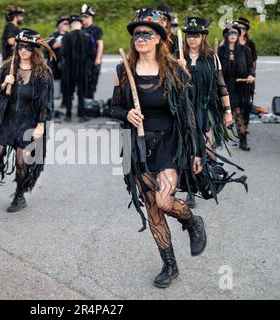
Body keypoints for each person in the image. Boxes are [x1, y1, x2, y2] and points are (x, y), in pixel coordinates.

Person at [110, 8, 247, 288]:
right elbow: (113, 106)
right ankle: (169, 264)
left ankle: (192, 220)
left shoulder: (174, 71)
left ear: (160, 38)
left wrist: (197, 151)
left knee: (163, 200)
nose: (141, 38)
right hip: (137, 145)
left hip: (169, 141)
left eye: (147, 33)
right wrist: (126, 114)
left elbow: (188, 115)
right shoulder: (122, 70)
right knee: (153, 209)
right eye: (137, 33)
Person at [0, 28, 54, 212]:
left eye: (29, 48)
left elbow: (46, 103)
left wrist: (41, 125)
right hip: (6, 120)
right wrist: (6, 82)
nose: (24, 50)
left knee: (22, 162)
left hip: (27, 123)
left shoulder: (42, 74)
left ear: (35, 51)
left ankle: (19, 196)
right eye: (21, 46)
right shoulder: (9, 67)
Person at [182, 16, 233, 208]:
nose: (191, 39)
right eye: (188, 35)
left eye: (195, 35)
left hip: (204, 111)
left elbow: (222, 86)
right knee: (186, 149)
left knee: (205, 148)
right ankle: (190, 191)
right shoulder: (178, 57)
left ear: (203, 36)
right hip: (184, 111)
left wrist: (227, 111)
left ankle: (206, 179)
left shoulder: (212, 57)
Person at [218, 23, 255, 151]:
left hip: (241, 86)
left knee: (240, 113)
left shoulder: (245, 50)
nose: (233, 35)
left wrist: (251, 75)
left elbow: (251, 66)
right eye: (230, 33)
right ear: (226, 35)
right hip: (225, 86)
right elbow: (216, 69)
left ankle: (243, 140)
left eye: (235, 33)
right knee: (225, 112)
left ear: (238, 35)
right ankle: (219, 139)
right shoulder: (221, 50)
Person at [60, 14, 94, 122]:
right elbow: (91, 54)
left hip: (69, 69)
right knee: (81, 92)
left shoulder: (66, 37)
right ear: (81, 24)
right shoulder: (87, 36)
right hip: (83, 69)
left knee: (68, 92)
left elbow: (62, 53)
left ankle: (68, 114)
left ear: (71, 25)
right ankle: (81, 115)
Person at [235, 17, 257, 127]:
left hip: (247, 77)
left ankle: (245, 125)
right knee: (235, 103)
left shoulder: (249, 43)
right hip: (233, 78)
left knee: (247, 103)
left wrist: (252, 75)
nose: (241, 30)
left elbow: (253, 61)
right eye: (238, 28)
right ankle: (238, 125)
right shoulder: (231, 40)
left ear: (246, 30)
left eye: (243, 28)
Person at [81, 4, 104, 98]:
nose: (83, 19)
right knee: (82, 81)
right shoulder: (80, 28)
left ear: (91, 17)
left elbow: (100, 44)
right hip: (82, 59)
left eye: (85, 17)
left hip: (92, 59)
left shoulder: (96, 29)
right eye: (82, 16)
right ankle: (83, 100)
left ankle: (89, 100)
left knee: (92, 81)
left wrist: (98, 58)